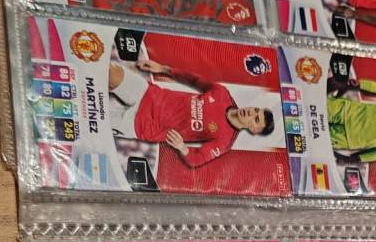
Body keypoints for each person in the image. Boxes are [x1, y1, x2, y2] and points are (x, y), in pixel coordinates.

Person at [108, 58, 274, 166]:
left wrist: (183, 148)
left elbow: (197, 159)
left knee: (97, 118)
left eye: (256, 119)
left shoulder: (224, 141)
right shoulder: (222, 94)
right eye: (255, 110)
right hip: (149, 94)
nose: (251, 113)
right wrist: (163, 68)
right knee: (109, 72)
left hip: (143, 126)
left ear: (253, 130)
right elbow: (194, 79)